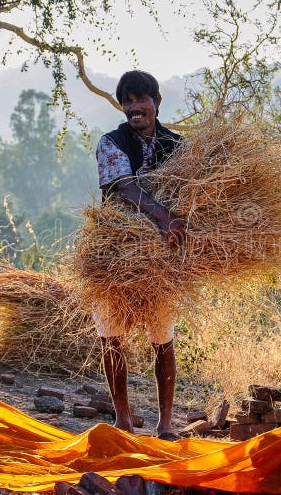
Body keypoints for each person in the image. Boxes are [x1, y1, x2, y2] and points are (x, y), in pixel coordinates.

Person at [94, 70, 186, 440]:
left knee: (162, 336)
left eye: (140, 99)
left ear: (156, 102)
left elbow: (192, 192)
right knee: (110, 334)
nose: (134, 108)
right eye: (127, 101)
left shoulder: (178, 146)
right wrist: (163, 216)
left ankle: (165, 424)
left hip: (163, 257)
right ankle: (123, 420)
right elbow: (124, 188)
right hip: (115, 249)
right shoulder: (110, 142)